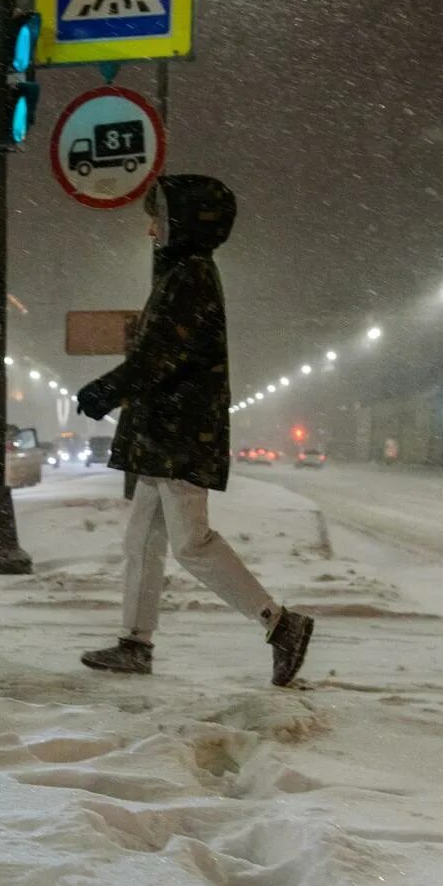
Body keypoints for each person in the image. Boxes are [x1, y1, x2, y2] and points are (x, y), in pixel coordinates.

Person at [74, 175, 314, 686]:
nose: (151, 231)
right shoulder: (183, 272)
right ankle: (134, 643)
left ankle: (280, 625)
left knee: (191, 542)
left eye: (158, 219)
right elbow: (158, 356)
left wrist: (105, 390)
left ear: (183, 222)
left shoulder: (191, 277)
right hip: (167, 430)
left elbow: (158, 356)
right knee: (143, 538)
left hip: (180, 433)